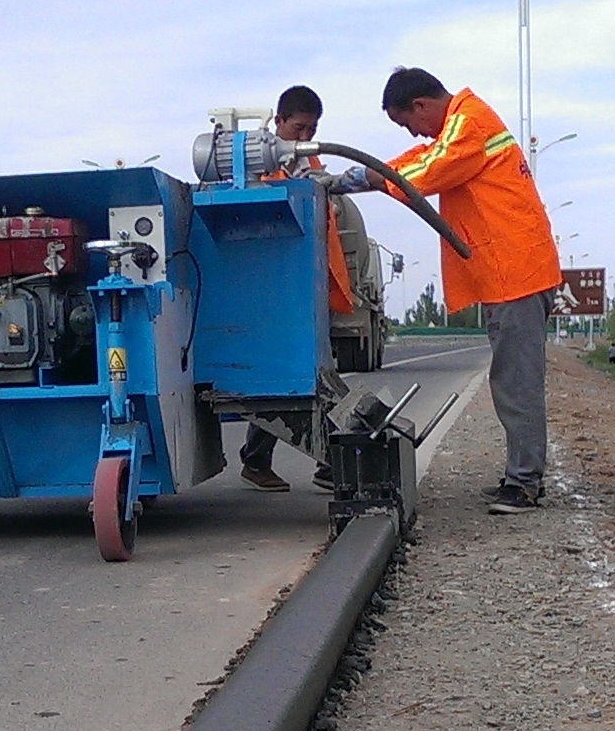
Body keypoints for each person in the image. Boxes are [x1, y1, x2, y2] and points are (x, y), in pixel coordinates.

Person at [338, 67, 560, 514]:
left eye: (408, 123)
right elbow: (427, 157)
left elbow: (433, 167)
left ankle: (524, 484)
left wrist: (367, 179)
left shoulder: (467, 121)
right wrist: (373, 174)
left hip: (516, 272)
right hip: (511, 272)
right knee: (512, 379)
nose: (414, 133)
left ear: (421, 105)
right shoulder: (463, 124)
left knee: (516, 382)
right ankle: (522, 474)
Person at [237, 84, 351, 493]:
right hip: (275, 285)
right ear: (279, 121)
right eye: (299, 127)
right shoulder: (255, 163)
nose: (305, 137)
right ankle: (328, 459)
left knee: (302, 371)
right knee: (293, 373)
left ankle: (265, 459)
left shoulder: (306, 160)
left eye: (312, 129)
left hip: (306, 282)